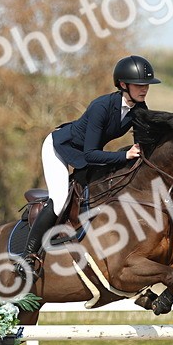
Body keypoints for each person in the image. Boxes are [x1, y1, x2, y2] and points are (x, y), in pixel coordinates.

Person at [22, 55, 161, 272]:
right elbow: (91, 155)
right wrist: (124, 156)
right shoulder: (102, 107)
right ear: (123, 85)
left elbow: (144, 142)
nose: (144, 90)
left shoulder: (139, 109)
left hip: (89, 153)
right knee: (59, 200)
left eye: (147, 86)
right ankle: (28, 255)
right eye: (139, 85)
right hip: (60, 147)